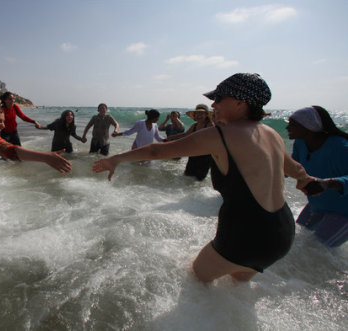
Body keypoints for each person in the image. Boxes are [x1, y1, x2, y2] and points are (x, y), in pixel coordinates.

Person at [93, 73, 314, 283]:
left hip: (246, 235)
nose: (214, 105)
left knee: (196, 281)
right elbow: (296, 169)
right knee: (236, 288)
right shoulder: (271, 133)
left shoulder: (221, 135)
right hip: (282, 234)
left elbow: (157, 151)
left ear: (240, 103)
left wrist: (116, 160)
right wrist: (306, 182)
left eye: (218, 98)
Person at [286, 106, 348, 247]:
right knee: (293, 241)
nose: (287, 128)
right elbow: (290, 168)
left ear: (309, 127)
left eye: (293, 124)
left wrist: (328, 183)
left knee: (316, 250)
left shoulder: (340, 147)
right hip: (318, 205)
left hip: (344, 211)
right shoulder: (301, 143)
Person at [167, 104, 214, 180]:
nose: (199, 115)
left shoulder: (210, 125)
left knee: (199, 179)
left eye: (201, 113)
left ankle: (198, 191)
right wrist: (171, 137)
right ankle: (185, 191)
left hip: (205, 156)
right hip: (194, 154)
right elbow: (185, 134)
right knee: (187, 175)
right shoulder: (194, 126)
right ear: (194, 116)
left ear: (206, 115)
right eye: (197, 114)